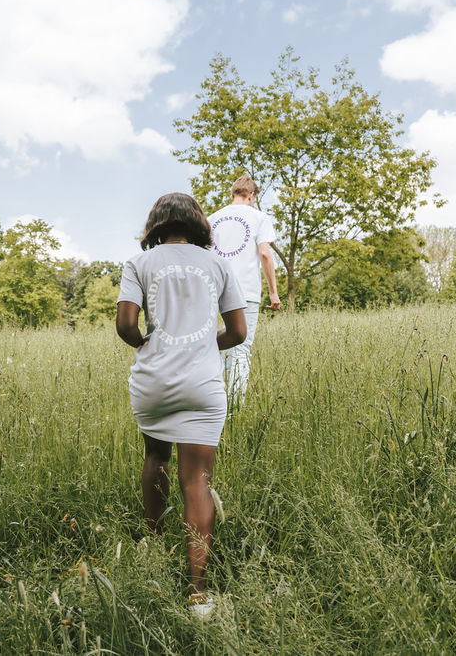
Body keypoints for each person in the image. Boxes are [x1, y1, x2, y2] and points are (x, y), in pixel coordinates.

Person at [116, 192, 247, 616]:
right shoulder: (220, 265)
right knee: (198, 482)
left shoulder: (139, 264)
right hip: (202, 382)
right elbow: (239, 332)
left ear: (156, 223)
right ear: (198, 224)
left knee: (156, 456)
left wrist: (146, 343)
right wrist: (209, 343)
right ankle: (199, 596)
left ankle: (155, 550)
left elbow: (126, 325)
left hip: (154, 381)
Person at [207, 174, 281, 400]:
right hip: (244, 291)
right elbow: (265, 253)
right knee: (240, 348)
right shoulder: (259, 217)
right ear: (251, 196)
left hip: (213, 290)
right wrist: (273, 292)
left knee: (211, 347)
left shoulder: (212, 219)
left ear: (232, 195)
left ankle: (213, 405)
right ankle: (234, 409)